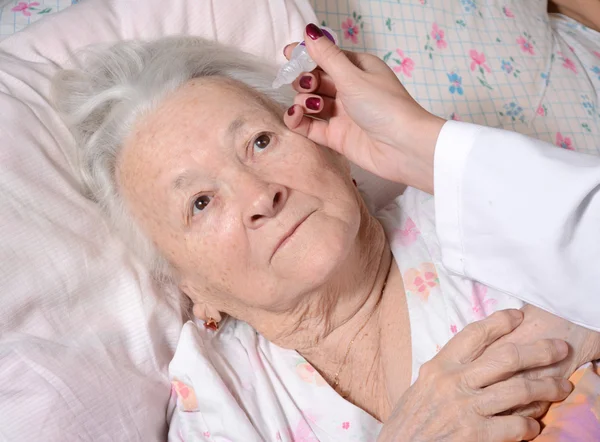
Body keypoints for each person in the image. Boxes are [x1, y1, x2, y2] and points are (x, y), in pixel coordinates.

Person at [52, 36, 599, 442]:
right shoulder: (221, 398)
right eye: (200, 202)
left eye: (260, 141)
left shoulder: (477, 202)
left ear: (329, 147)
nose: (258, 194)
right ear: (192, 286)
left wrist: (423, 142)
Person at [282, 24, 600, 334]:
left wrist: (415, 142)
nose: (261, 197)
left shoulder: (437, 225)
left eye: (261, 141)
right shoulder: (245, 375)